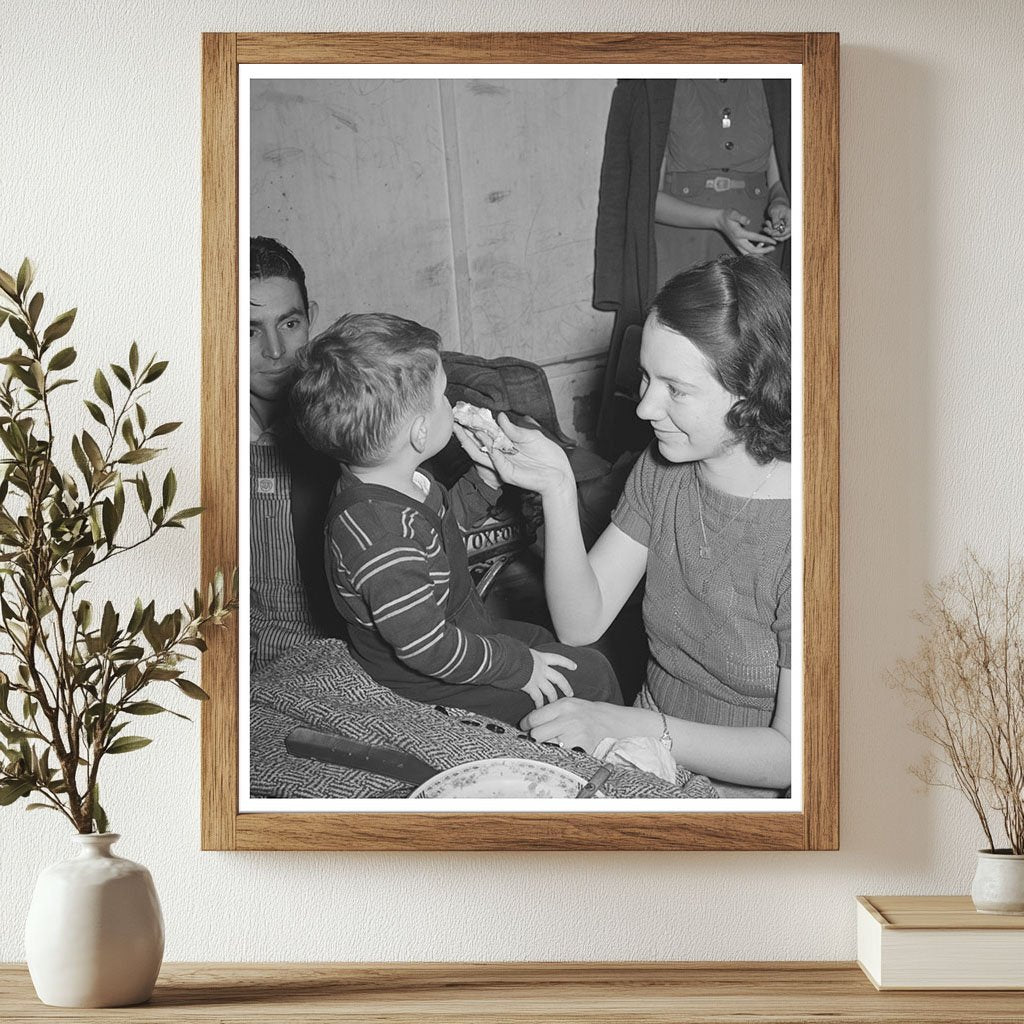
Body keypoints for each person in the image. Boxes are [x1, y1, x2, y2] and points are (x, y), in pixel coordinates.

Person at [455, 255, 791, 794]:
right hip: (641, 752)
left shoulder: (810, 538)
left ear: (755, 394)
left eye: (676, 389)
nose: (643, 408)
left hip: (741, 789)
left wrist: (626, 724)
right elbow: (581, 623)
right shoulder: (661, 468)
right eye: (645, 378)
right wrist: (557, 489)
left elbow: (790, 756)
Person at [289, 312, 622, 727]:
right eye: (443, 395)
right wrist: (517, 666)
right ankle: (617, 768)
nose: (451, 404)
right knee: (589, 677)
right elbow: (429, 647)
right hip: (429, 680)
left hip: (466, 626)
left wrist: (484, 478)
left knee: (553, 646)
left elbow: (442, 537)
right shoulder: (379, 536)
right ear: (420, 432)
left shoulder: (398, 481)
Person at [249, 236, 345, 670]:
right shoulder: (195, 433)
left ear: (313, 320)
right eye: (249, 330)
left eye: (289, 324)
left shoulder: (349, 422)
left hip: (338, 658)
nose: (274, 351)